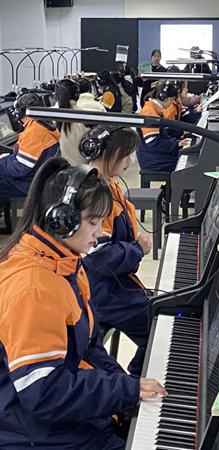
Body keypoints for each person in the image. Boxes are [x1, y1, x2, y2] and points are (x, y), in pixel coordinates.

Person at [0, 158, 166, 449]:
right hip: (30, 430)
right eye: (92, 222)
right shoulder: (33, 288)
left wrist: (124, 391)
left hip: (55, 413)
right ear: (62, 221)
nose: (100, 232)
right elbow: (43, 392)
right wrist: (122, 391)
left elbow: (88, 348)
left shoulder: (67, 264)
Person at [80, 127, 152, 376]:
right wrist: (137, 249)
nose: (129, 161)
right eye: (125, 155)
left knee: (166, 306)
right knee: (161, 324)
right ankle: (137, 380)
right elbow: (100, 258)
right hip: (104, 294)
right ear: (105, 153)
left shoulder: (109, 185)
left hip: (118, 285)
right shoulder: (95, 196)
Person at [0, 93, 60, 201]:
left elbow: (20, 168)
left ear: (19, 113)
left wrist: (2, 162)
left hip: (32, 183)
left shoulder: (33, 132)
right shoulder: (44, 124)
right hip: (43, 177)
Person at [137, 81, 189, 172]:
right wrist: (176, 144)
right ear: (163, 98)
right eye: (171, 100)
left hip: (153, 156)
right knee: (185, 167)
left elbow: (162, 137)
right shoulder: (149, 112)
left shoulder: (154, 110)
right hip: (152, 160)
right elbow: (153, 142)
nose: (171, 104)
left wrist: (177, 142)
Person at [54, 79, 89, 165]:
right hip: (82, 168)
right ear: (77, 95)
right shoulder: (86, 117)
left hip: (56, 168)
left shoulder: (47, 116)